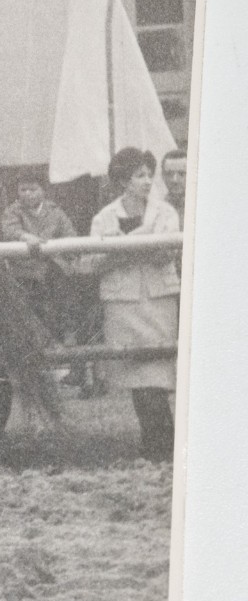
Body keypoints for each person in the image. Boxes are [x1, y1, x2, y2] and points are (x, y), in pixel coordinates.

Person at [82, 147, 181, 462]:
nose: (147, 181)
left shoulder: (165, 213)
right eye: (140, 175)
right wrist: (137, 244)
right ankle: (157, 443)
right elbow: (90, 263)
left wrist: (120, 248)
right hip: (123, 302)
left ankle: (162, 443)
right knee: (137, 374)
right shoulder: (103, 217)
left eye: (149, 174)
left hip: (157, 298)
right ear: (123, 180)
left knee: (159, 370)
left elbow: (164, 251)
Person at [0, 174, 77, 344]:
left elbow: (70, 235)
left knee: (64, 305)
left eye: (33, 189)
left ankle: (69, 341)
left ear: (43, 191)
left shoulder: (55, 211)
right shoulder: (12, 211)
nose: (28, 194)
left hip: (54, 269)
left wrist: (58, 252)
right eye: (23, 190)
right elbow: (9, 231)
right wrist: (25, 236)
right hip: (25, 272)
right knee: (31, 314)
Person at [160, 148, 187, 226]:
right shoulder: (157, 209)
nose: (175, 180)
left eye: (182, 174)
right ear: (163, 176)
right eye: (169, 174)